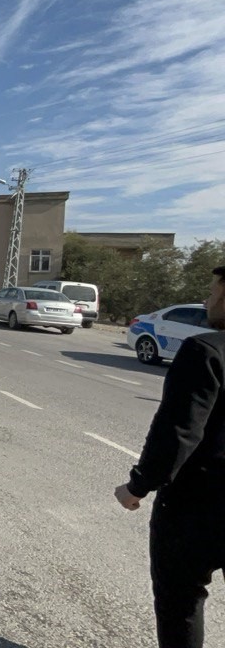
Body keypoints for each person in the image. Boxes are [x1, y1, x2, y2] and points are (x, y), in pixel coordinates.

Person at [115, 265, 225, 647]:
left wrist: (138, 485)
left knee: (181, 601)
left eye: (213, 291)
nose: (208, 299)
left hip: (199, 506)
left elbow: (178, 433)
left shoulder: (207, 350)